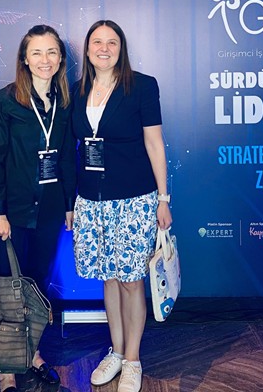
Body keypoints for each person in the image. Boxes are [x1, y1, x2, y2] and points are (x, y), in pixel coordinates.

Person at [72, 20, 172, 392]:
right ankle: (115, 351)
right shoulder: (76, 91)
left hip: (134, 201)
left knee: (131, 282)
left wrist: (163, 198)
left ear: (121, 48)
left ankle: (132, 359)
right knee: (109, 279)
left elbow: (155, 144)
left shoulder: (142, 86)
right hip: (92, 201)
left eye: (112, 42)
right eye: (97, 42)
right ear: (87, 50)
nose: (104, 48)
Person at [0, 24, 75, 392]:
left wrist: (68, 205)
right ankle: (6, 369)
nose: (44, 59)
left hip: (49, 211)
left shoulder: (64, 103)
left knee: (37, 287)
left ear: (60, 59)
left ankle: (31, 353)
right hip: (13, 213)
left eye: (52, 52)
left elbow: (66, 157)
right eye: (37, 52)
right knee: (8, 289)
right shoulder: (5, 100)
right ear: (24, 58)